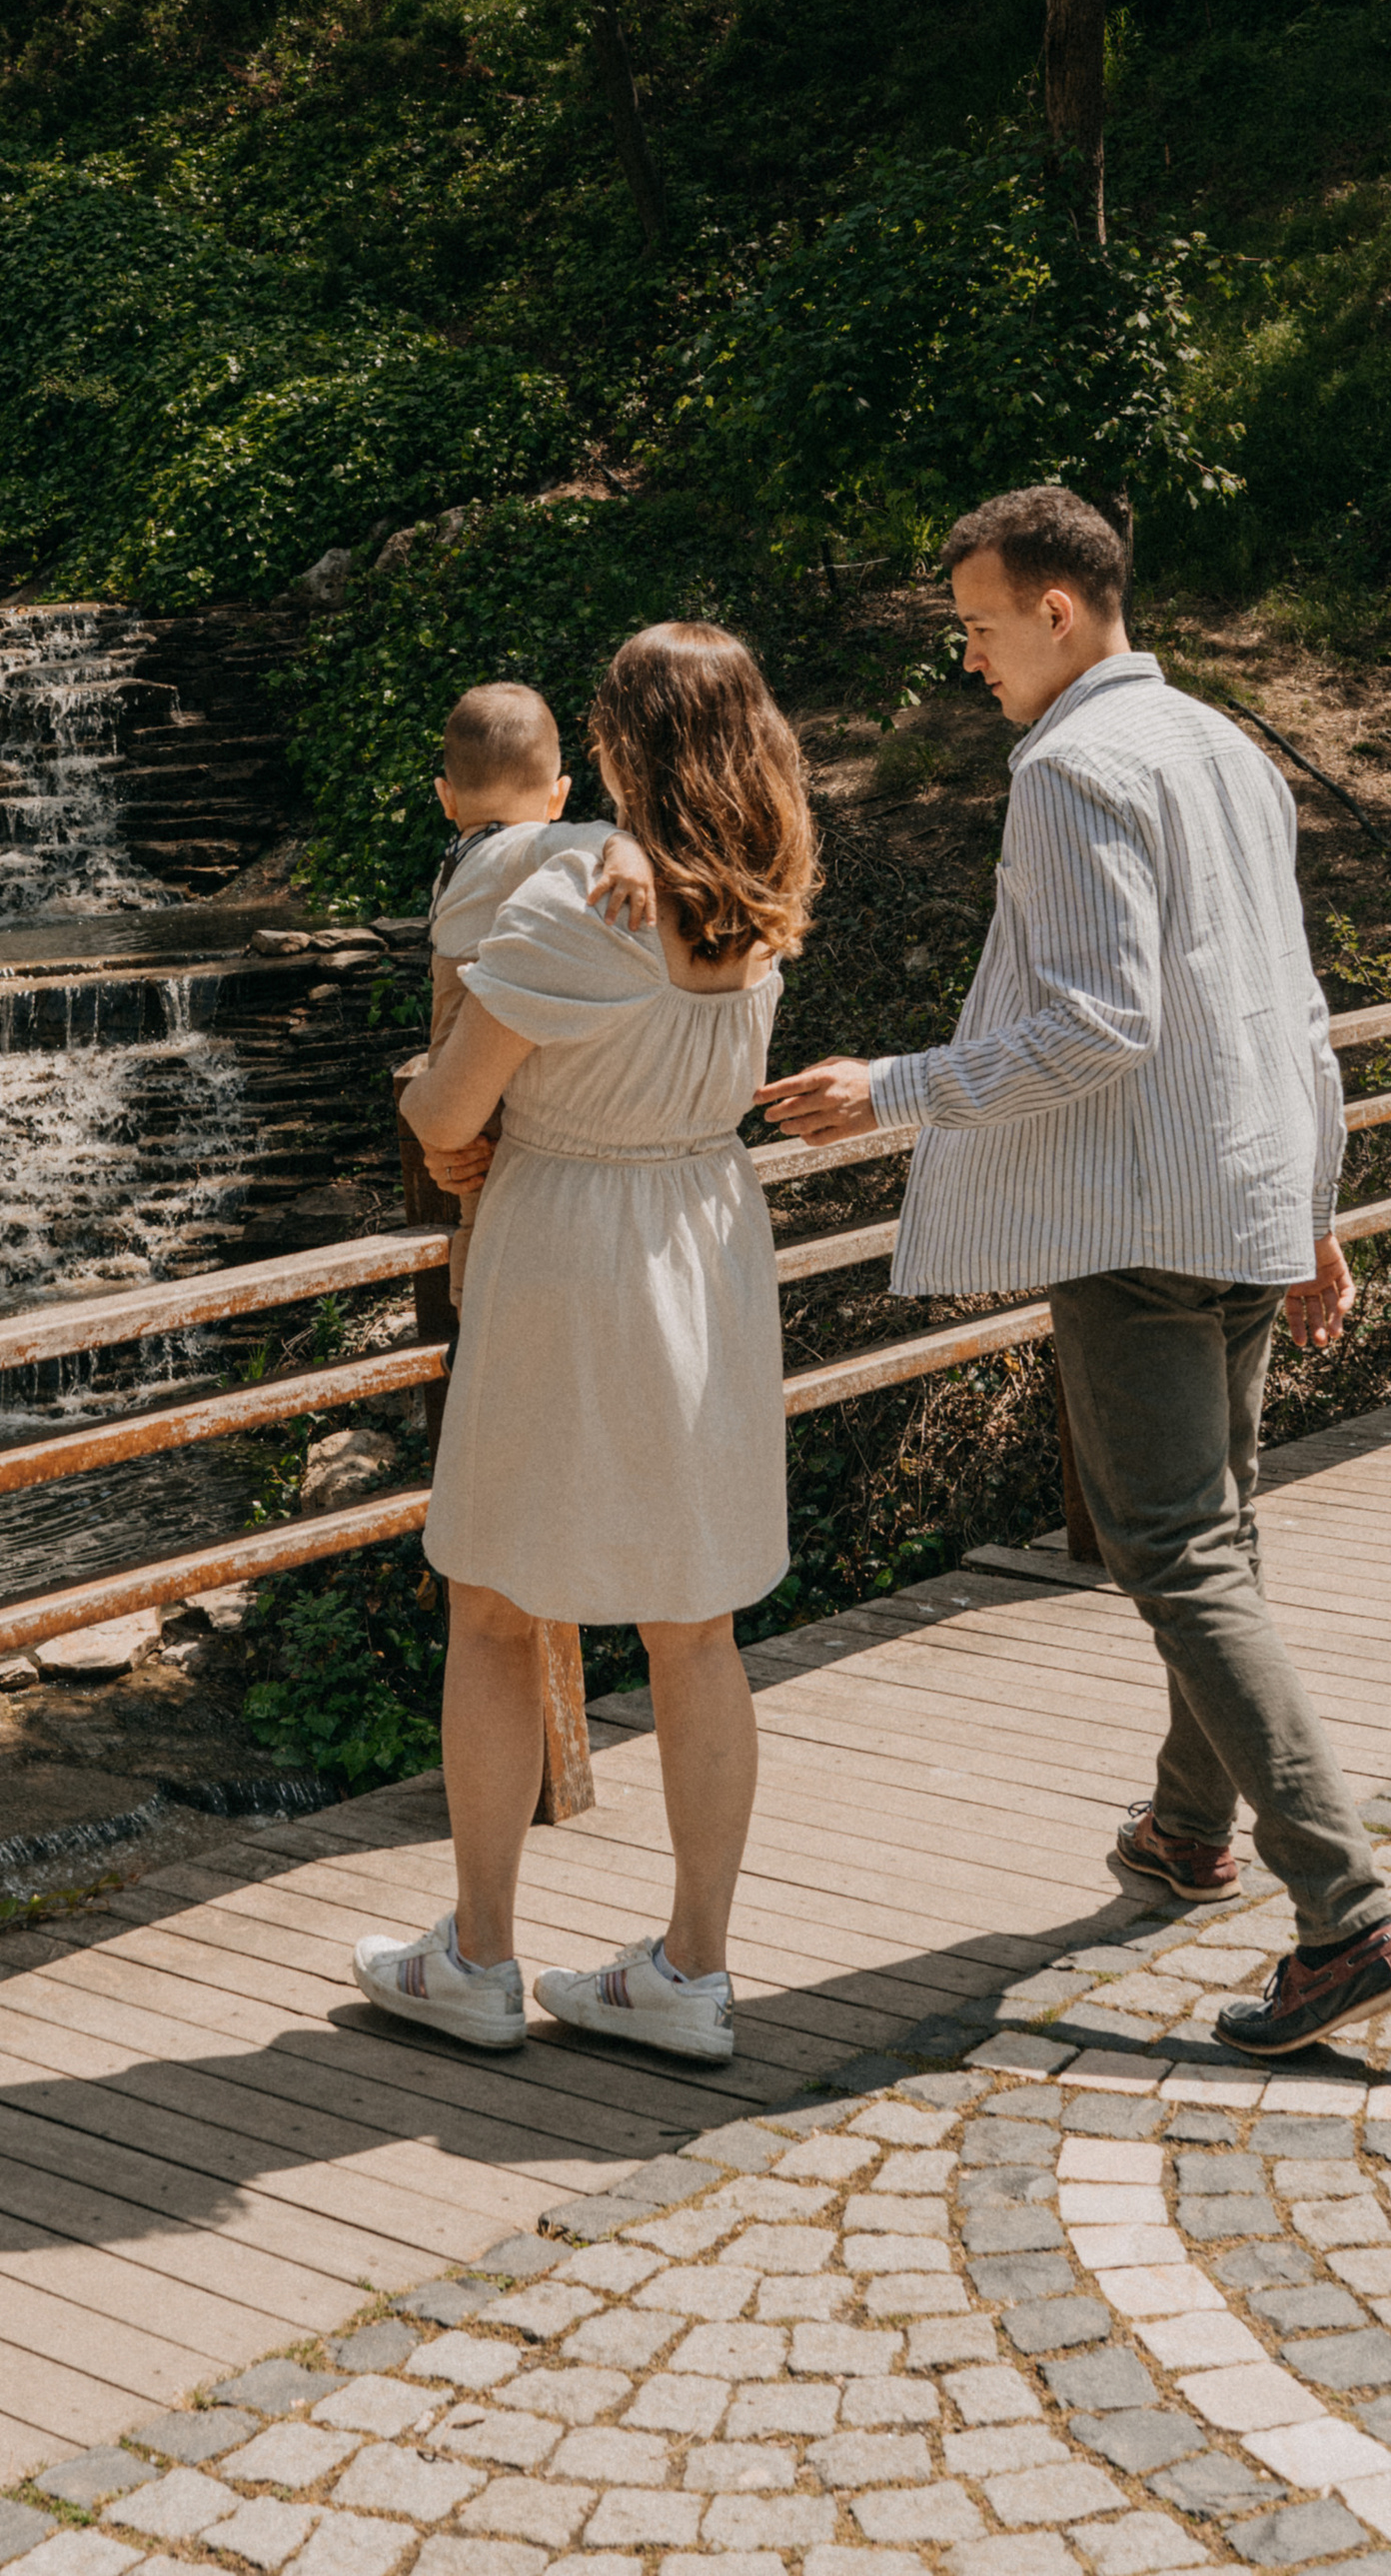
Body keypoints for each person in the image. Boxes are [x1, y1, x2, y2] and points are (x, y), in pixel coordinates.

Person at [760, 483, 1391, 2062]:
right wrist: (1316, 1200)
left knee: (1178, 1551)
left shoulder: (1072, 768)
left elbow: (1101, 1024)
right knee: (1222, 1535)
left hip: (1138, 1215)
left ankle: (1342, 1915)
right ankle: (1189, 1834)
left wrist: (895, 1090)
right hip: (1245, 1185)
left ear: (1062, 607)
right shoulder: (1220, 745)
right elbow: (1289, 1000)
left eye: (981, 627)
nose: (967, 659)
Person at [354, 621, 815, 2064]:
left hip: (568, 1246)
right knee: (697, 1624)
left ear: (620, 751)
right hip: (702, 1235)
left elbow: (447, 1114)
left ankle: (480, 1955)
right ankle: (694, 1969)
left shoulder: (577, 918)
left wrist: (426, 1085)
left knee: (495, 1601)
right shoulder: (762, 899)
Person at [424, 680, 602, 1319]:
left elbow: (566, 840)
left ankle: (470, 1316)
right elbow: (574, 838)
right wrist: (622, 848)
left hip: (462, 1013)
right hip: (485, 1008)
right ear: (558, 795)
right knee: (482, 1175)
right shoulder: (518, 845)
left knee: (475, 1182)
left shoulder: (484, 849)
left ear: (446, 797)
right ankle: (476, 1318)